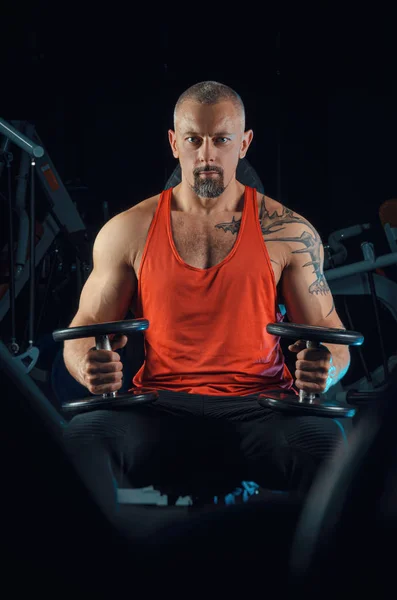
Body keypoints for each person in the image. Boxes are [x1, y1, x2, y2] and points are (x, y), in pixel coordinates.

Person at [62, 81, 351, 518]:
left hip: (261, 407)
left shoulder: (288, 232)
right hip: (159, 407)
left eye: (221, 140)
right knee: (82, 441)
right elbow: (83, 329)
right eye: (194, 140)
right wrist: (87, 363)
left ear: (245, 143)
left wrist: (326, 367)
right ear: (174, 143)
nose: (206, 155)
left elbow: (332, 335)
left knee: (326, 448)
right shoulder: (128, 230)